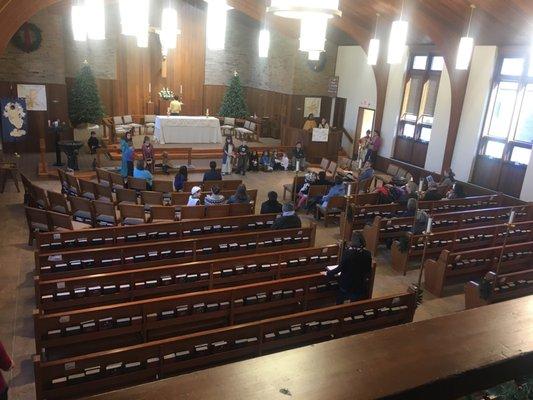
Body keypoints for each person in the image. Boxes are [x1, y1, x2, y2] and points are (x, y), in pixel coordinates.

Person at [325, 232, 373, 304]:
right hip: (360, 285)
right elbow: (368, 270)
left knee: (340, 300)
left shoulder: (348, 254)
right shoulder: (367, 254)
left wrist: (328, 273)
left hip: (347, 285)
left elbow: (339, 269)